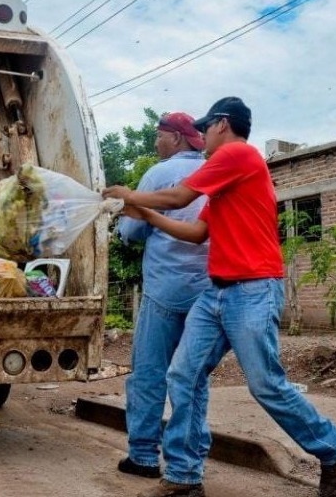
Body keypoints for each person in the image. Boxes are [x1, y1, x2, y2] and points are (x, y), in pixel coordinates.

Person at [104, 97, 336, 497]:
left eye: (205, 129)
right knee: (183, 375)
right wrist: (147, 216)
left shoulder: (238, 154)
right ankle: (184, 478)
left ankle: (334, 446)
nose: (201, 136)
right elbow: (196, 233)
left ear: (222, 124)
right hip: (216, 292)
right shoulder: (223, 182)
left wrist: (130, 197)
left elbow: (179, 198)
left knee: (265, 385)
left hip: (253, 290)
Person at [116, 112, 211, 480]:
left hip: (163, 290)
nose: (156, 143)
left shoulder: (158, 175)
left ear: (176, 138)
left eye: (159, 135)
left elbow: (132, 229)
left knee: (150, 373)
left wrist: (127, 225)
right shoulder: (211, 173)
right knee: (192, 379)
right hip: (205, 292)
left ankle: (142, 456)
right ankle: (187, 466)